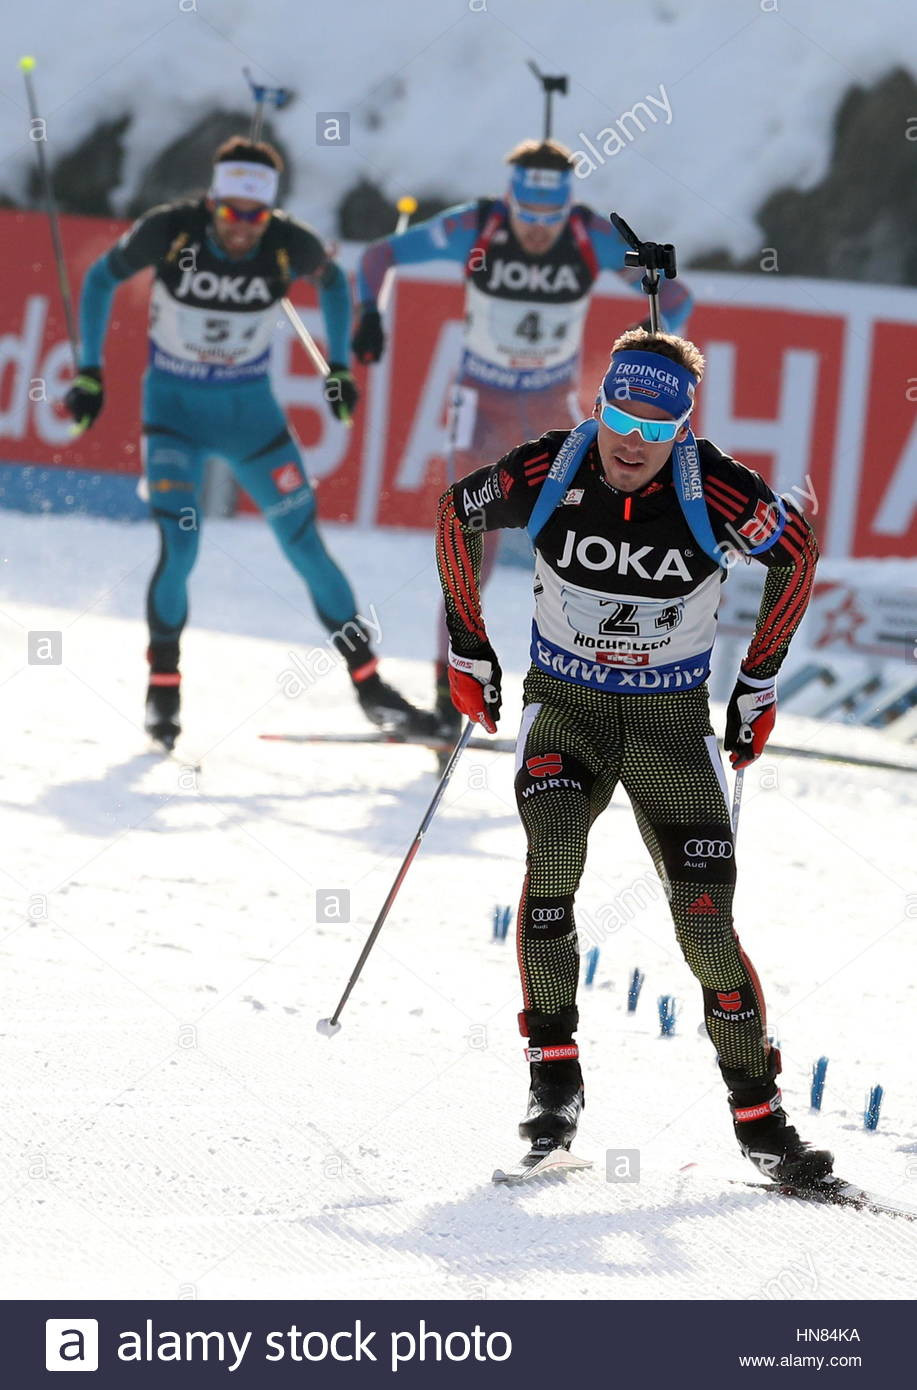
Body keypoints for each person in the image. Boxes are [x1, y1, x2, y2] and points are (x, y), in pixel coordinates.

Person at [435, 325, 833, 1184]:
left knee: (705, 932)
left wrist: (756, 683)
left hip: (667, 725)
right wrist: (469, 646)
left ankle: (760, 1121)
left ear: (681, 430)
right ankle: (554, 1084)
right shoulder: (549, 469)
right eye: (620, 414)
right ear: (600, 402)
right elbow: (455, 512)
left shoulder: (716, 488)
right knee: (555, 853)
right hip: (566, 709)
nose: (631, 443)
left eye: (657, 428)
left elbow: (794, 557)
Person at [65, 135, 434, 748]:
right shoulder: (172, 231)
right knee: (180, 547)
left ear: (270, 212)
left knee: (305, 547)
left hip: (250, 417)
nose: (241, 228)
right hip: (174, 416)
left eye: (255, 216)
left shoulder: (288, 243)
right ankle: (163, 686)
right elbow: (102, 280)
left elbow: (338, 285)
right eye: (231, 213)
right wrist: (89, 369)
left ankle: (370, 686)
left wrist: (339, 367)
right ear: (213, 202)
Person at [353, 138, 693, 738]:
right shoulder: (477, 225)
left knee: (591, 553)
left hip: (547, 408)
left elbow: (676, 296)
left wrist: (645, 352)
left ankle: (594, 704)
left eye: (549, 219)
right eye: (527, 217)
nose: (537, 231)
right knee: (472, 554)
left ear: (568, 208)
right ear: (510, 201)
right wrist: (368, 313)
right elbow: (379, 258)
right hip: (481, 410)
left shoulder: (589, 235)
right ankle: (447, 696)